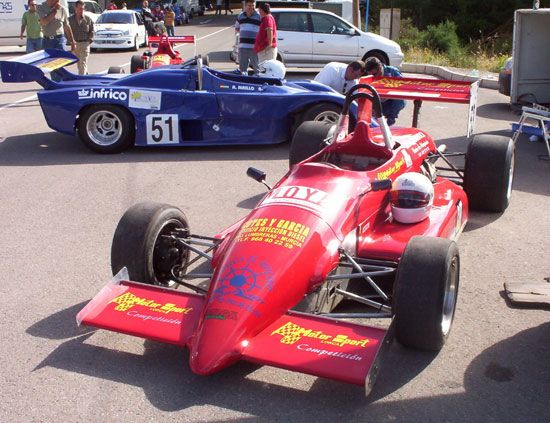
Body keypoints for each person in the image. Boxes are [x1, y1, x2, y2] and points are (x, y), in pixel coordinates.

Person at [364, 57, 405, 126]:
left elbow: (402, 87)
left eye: (374, 74)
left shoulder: (393, 72)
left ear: (380, 68)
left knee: (399, 99)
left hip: (392, 101)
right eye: (370, 74)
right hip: (377, 101)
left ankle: (391, 119)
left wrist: (389, 93)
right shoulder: (367, 77)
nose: (373, 77)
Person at [235, 0, 260, 75]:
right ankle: (243, 83)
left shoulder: (259, 16)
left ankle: (258, 83)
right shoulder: (240, 16)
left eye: (253, 5)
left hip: (254, 47)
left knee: (257, 68)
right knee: (242, 69)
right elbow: (237, 28)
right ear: (245, 6)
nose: (251, 7)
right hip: (243, 47)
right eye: (249, 5)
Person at [68, 0, 93, 75]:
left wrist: (89, 41)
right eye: (79, 8)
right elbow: (67, 31)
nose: (81, 10)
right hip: (75, 44)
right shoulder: (70, 20)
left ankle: (82, 80)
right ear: (75, 8)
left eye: (83, 9)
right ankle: (86, 76)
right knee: (79, 64)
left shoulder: (88, 19)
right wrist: (70, 42)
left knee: (82, 63)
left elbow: (92, 30)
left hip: (85, 44)